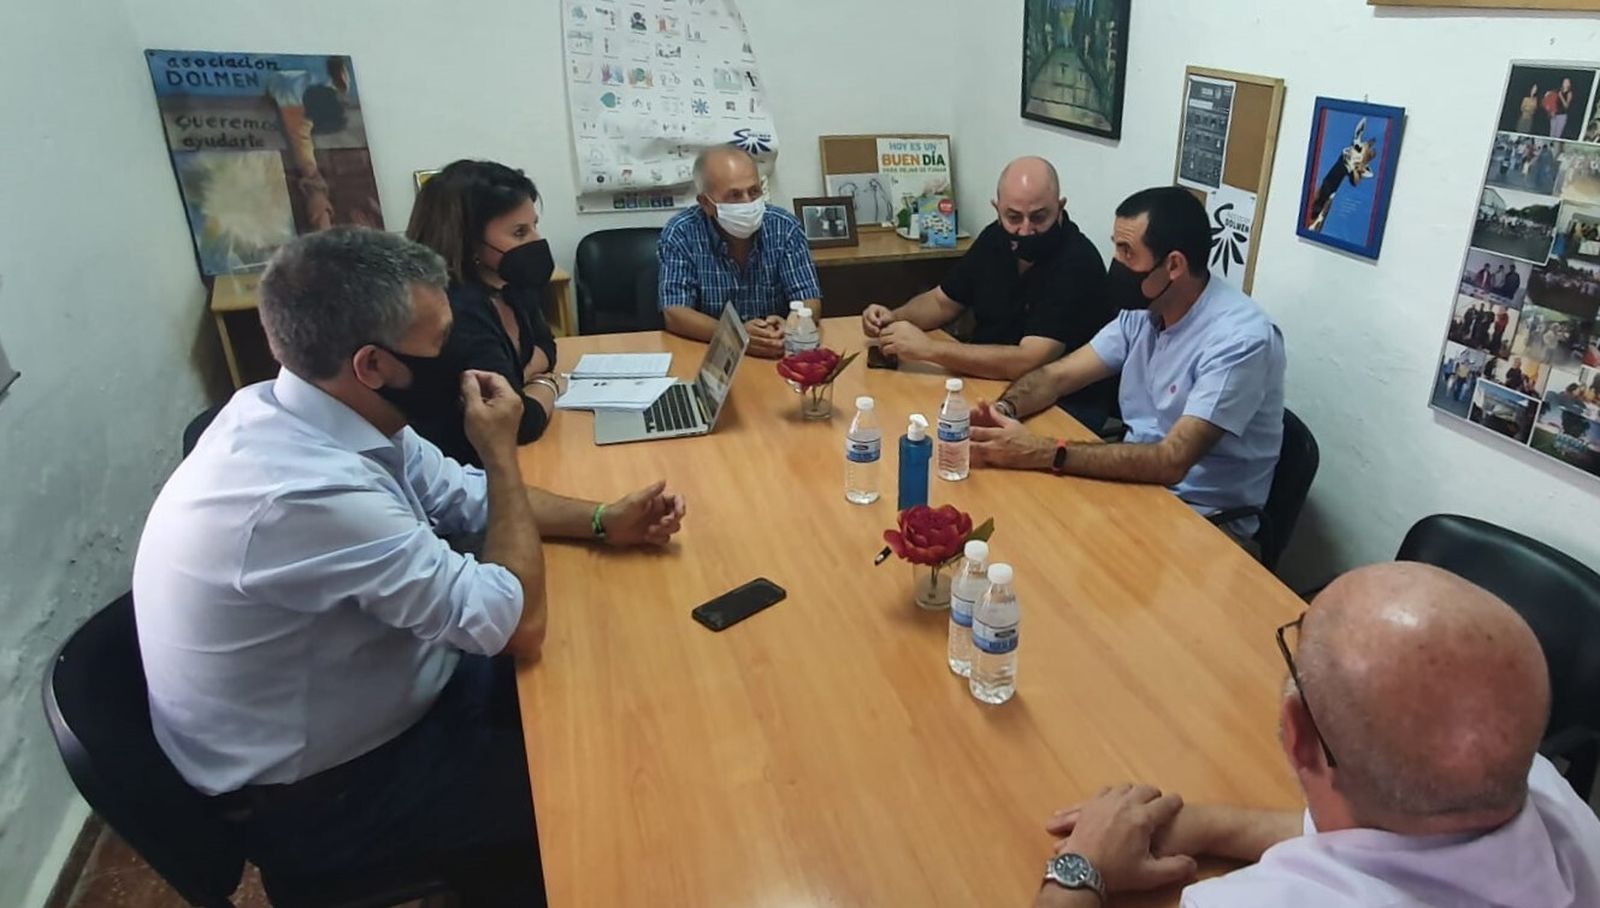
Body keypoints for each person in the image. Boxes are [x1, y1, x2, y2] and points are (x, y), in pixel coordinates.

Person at [133, 228, 687, 907]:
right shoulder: (300, 493)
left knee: (625, 660)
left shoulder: (316, 410)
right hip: (330, 799)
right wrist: (503, 450)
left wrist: (603, 519)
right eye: (441, 341)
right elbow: (516, 624)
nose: (458, 356)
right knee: (620, 772)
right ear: (372, 364)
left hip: (390, 700)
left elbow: (468, 496)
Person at [1027, 562, 1600, 908]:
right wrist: (1211, 826)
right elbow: (1400, 845)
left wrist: (1080, 871)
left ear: (1299, 735)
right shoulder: (1548, 798)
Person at [968, 186, 1285, 544]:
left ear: (1174, 265)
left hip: (1203, 521)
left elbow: (1171, 461)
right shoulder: (1145, 311)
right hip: (1136, 489)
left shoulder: (1239, 339)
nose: (1115, 263)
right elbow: (1058, 376)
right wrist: (1003, 410)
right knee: (1020, 524)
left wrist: (1043, 452)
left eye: (1127, 253)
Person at [860, 157, 1117, 428]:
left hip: (1060, 403)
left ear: (1060, 207)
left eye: (1039, 217)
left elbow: (1027, 361)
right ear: (997, 210)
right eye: (1014, 217)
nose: (1026, 230)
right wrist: (892, 319)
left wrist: (928, 349)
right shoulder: (995, 238)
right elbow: (941, 301)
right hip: (986, 382)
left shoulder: (1078, 262)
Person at [401, 159, 560, 466]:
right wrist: (548, 384)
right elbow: (517, 424)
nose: (536, 241)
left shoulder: (509, 284)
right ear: (470, 241)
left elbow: (547, 347)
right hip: (460, 473)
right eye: (519, 232)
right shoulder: (454, 308)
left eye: (534, 226)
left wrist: (517, 379)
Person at [658, 145, 821, 358]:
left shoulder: (784, 227)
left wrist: (792, 323)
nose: (748, 202)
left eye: (754, 191)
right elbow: (675, 312)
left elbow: (810, 299)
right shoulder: (681, 232)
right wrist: (735, 335)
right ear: (706, 203)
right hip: (713, 357)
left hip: (776, 355)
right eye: (734, 195)